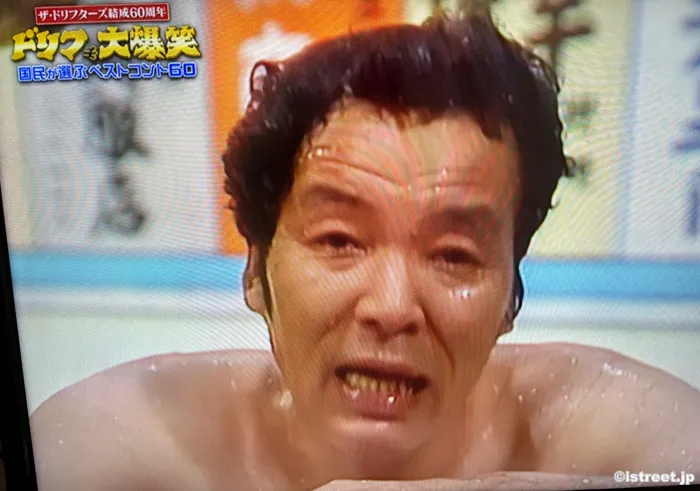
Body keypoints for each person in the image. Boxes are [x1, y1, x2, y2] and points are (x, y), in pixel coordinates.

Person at [30, 8, 700, 491]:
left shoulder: (590, 427)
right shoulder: (142, 439)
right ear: (257, 272)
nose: (392, 307)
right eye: (340, 240)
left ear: (510, 298)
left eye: (454, 255)